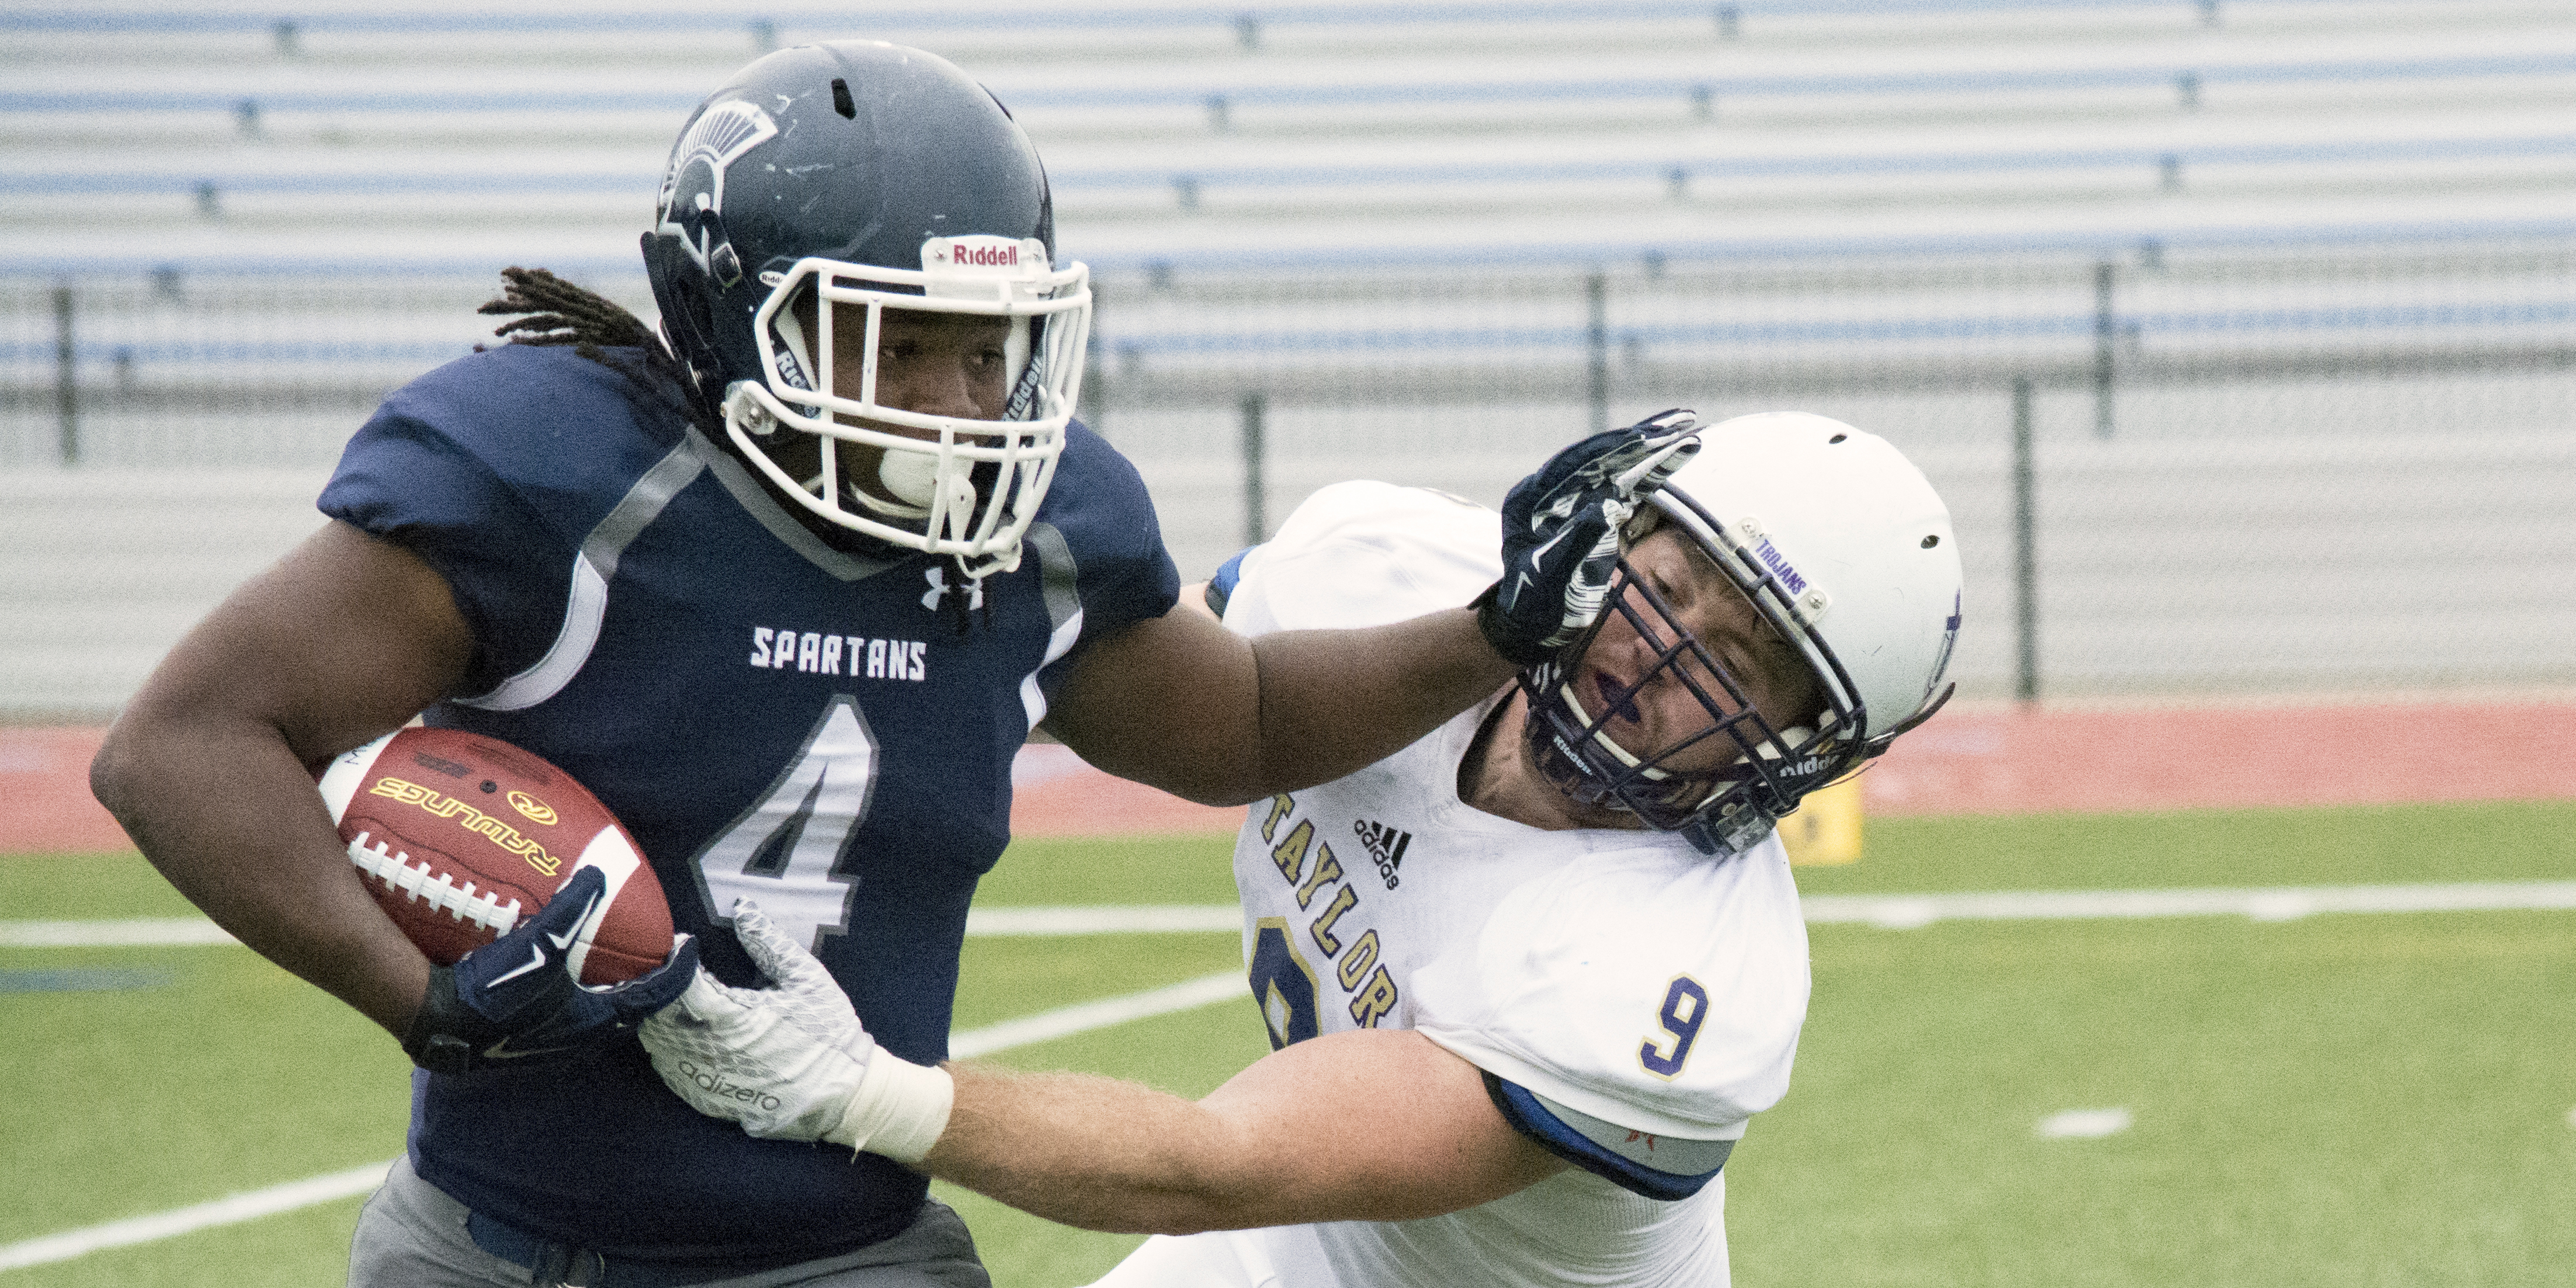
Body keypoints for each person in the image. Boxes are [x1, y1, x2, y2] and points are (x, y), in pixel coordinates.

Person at [84, 40, 1695, 1288]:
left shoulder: (1045, 526)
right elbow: (189, 741)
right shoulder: (564, 474)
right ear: (733, 322)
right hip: (490, 1239)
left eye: (983, 348)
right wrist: (418, 991)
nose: (952, 398)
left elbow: (1245, 722)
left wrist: (1490, 633)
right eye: (894, 341)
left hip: (840, 1247)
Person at [638, 409, 1966, 1287]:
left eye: (1730, 664)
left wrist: (863, 1091)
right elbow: (1133, 678)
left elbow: (1223, 1162)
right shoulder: (1388, 569)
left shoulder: (1671, 975)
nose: (1651, 652)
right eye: (1665, 587)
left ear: (1800, 751)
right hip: (1308, 1254)